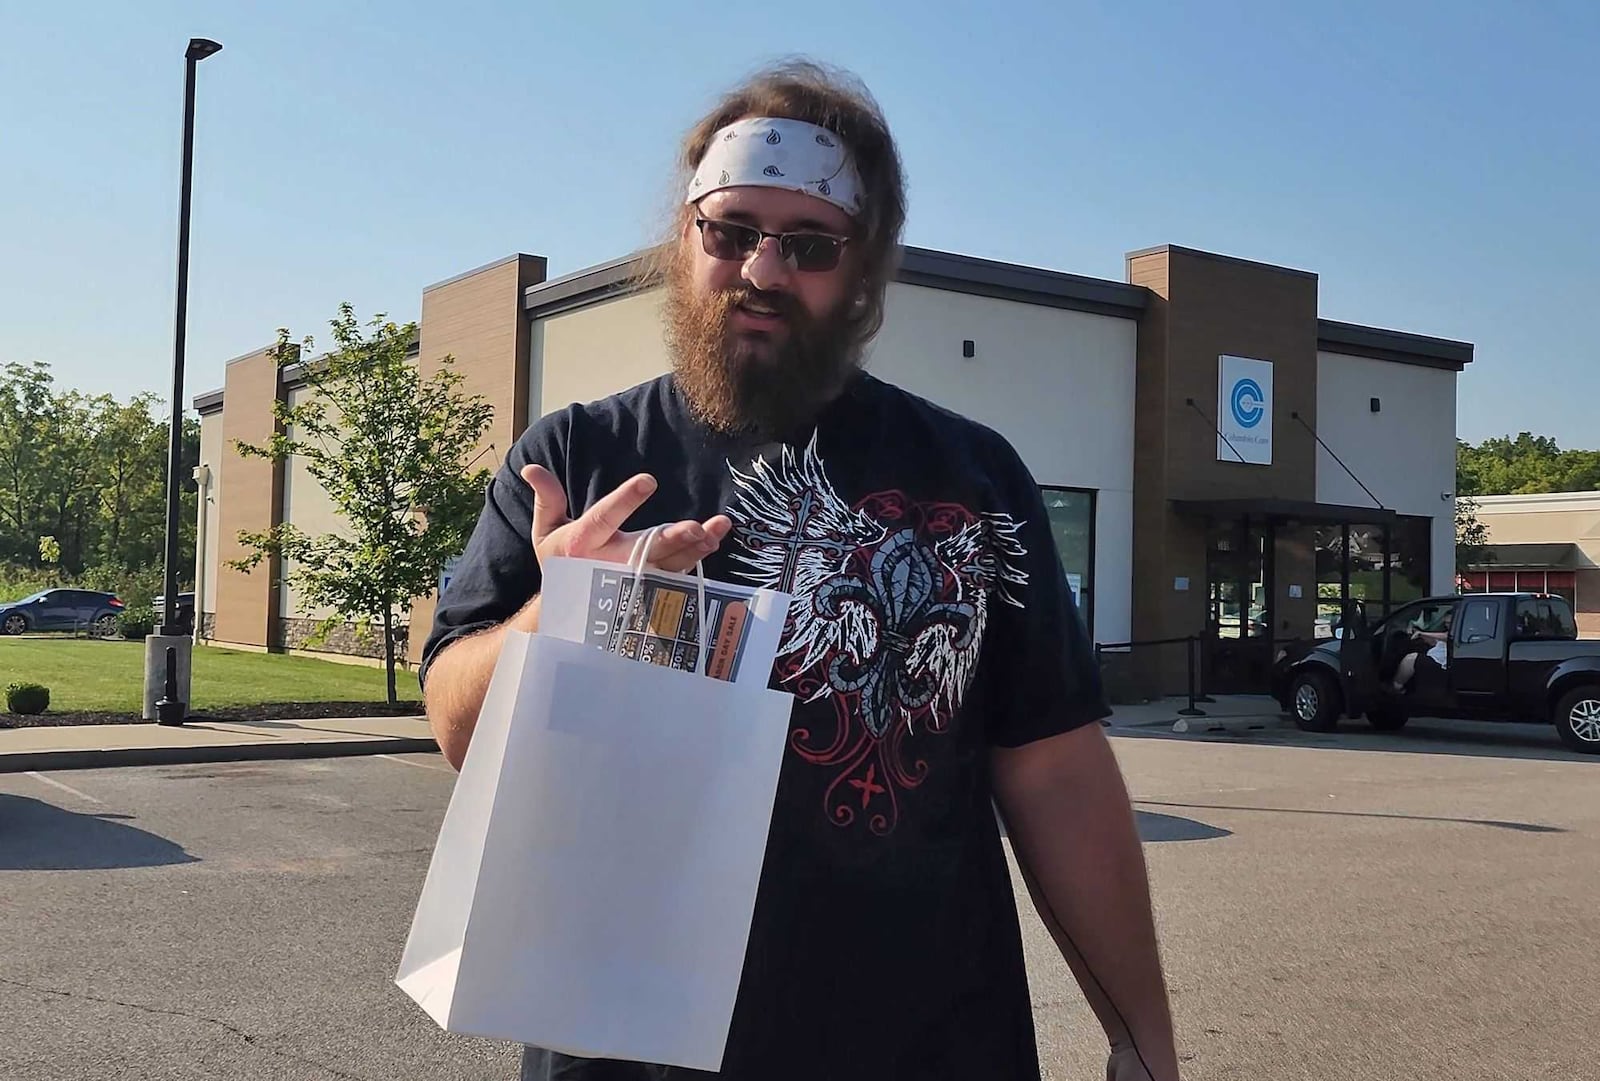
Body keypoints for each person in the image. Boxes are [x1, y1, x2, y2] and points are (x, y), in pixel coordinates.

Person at [419, 60, 1181, 1081]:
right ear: (684, 240)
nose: (763, 271)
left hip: (924, 1048)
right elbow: (457, 727)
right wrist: (558, 616)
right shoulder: (574, 462)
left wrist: (1141, 1034)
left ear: (863, 270)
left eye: (809, 244)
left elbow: (1055, 773)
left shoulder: (973, 476)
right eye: (730, 231)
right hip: (623, 1053)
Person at [1390, 608, 1453, 693]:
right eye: (1446, 623)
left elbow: (1447, 637)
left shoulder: (1454, 632)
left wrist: (1422, 633)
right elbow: (1436, 641)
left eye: (1449, 623)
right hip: (1434, 653)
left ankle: (1396, 687)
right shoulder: (1447, 631)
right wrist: (1419, 634)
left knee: (1410, 659)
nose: (1447, 625)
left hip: (1442, 661)